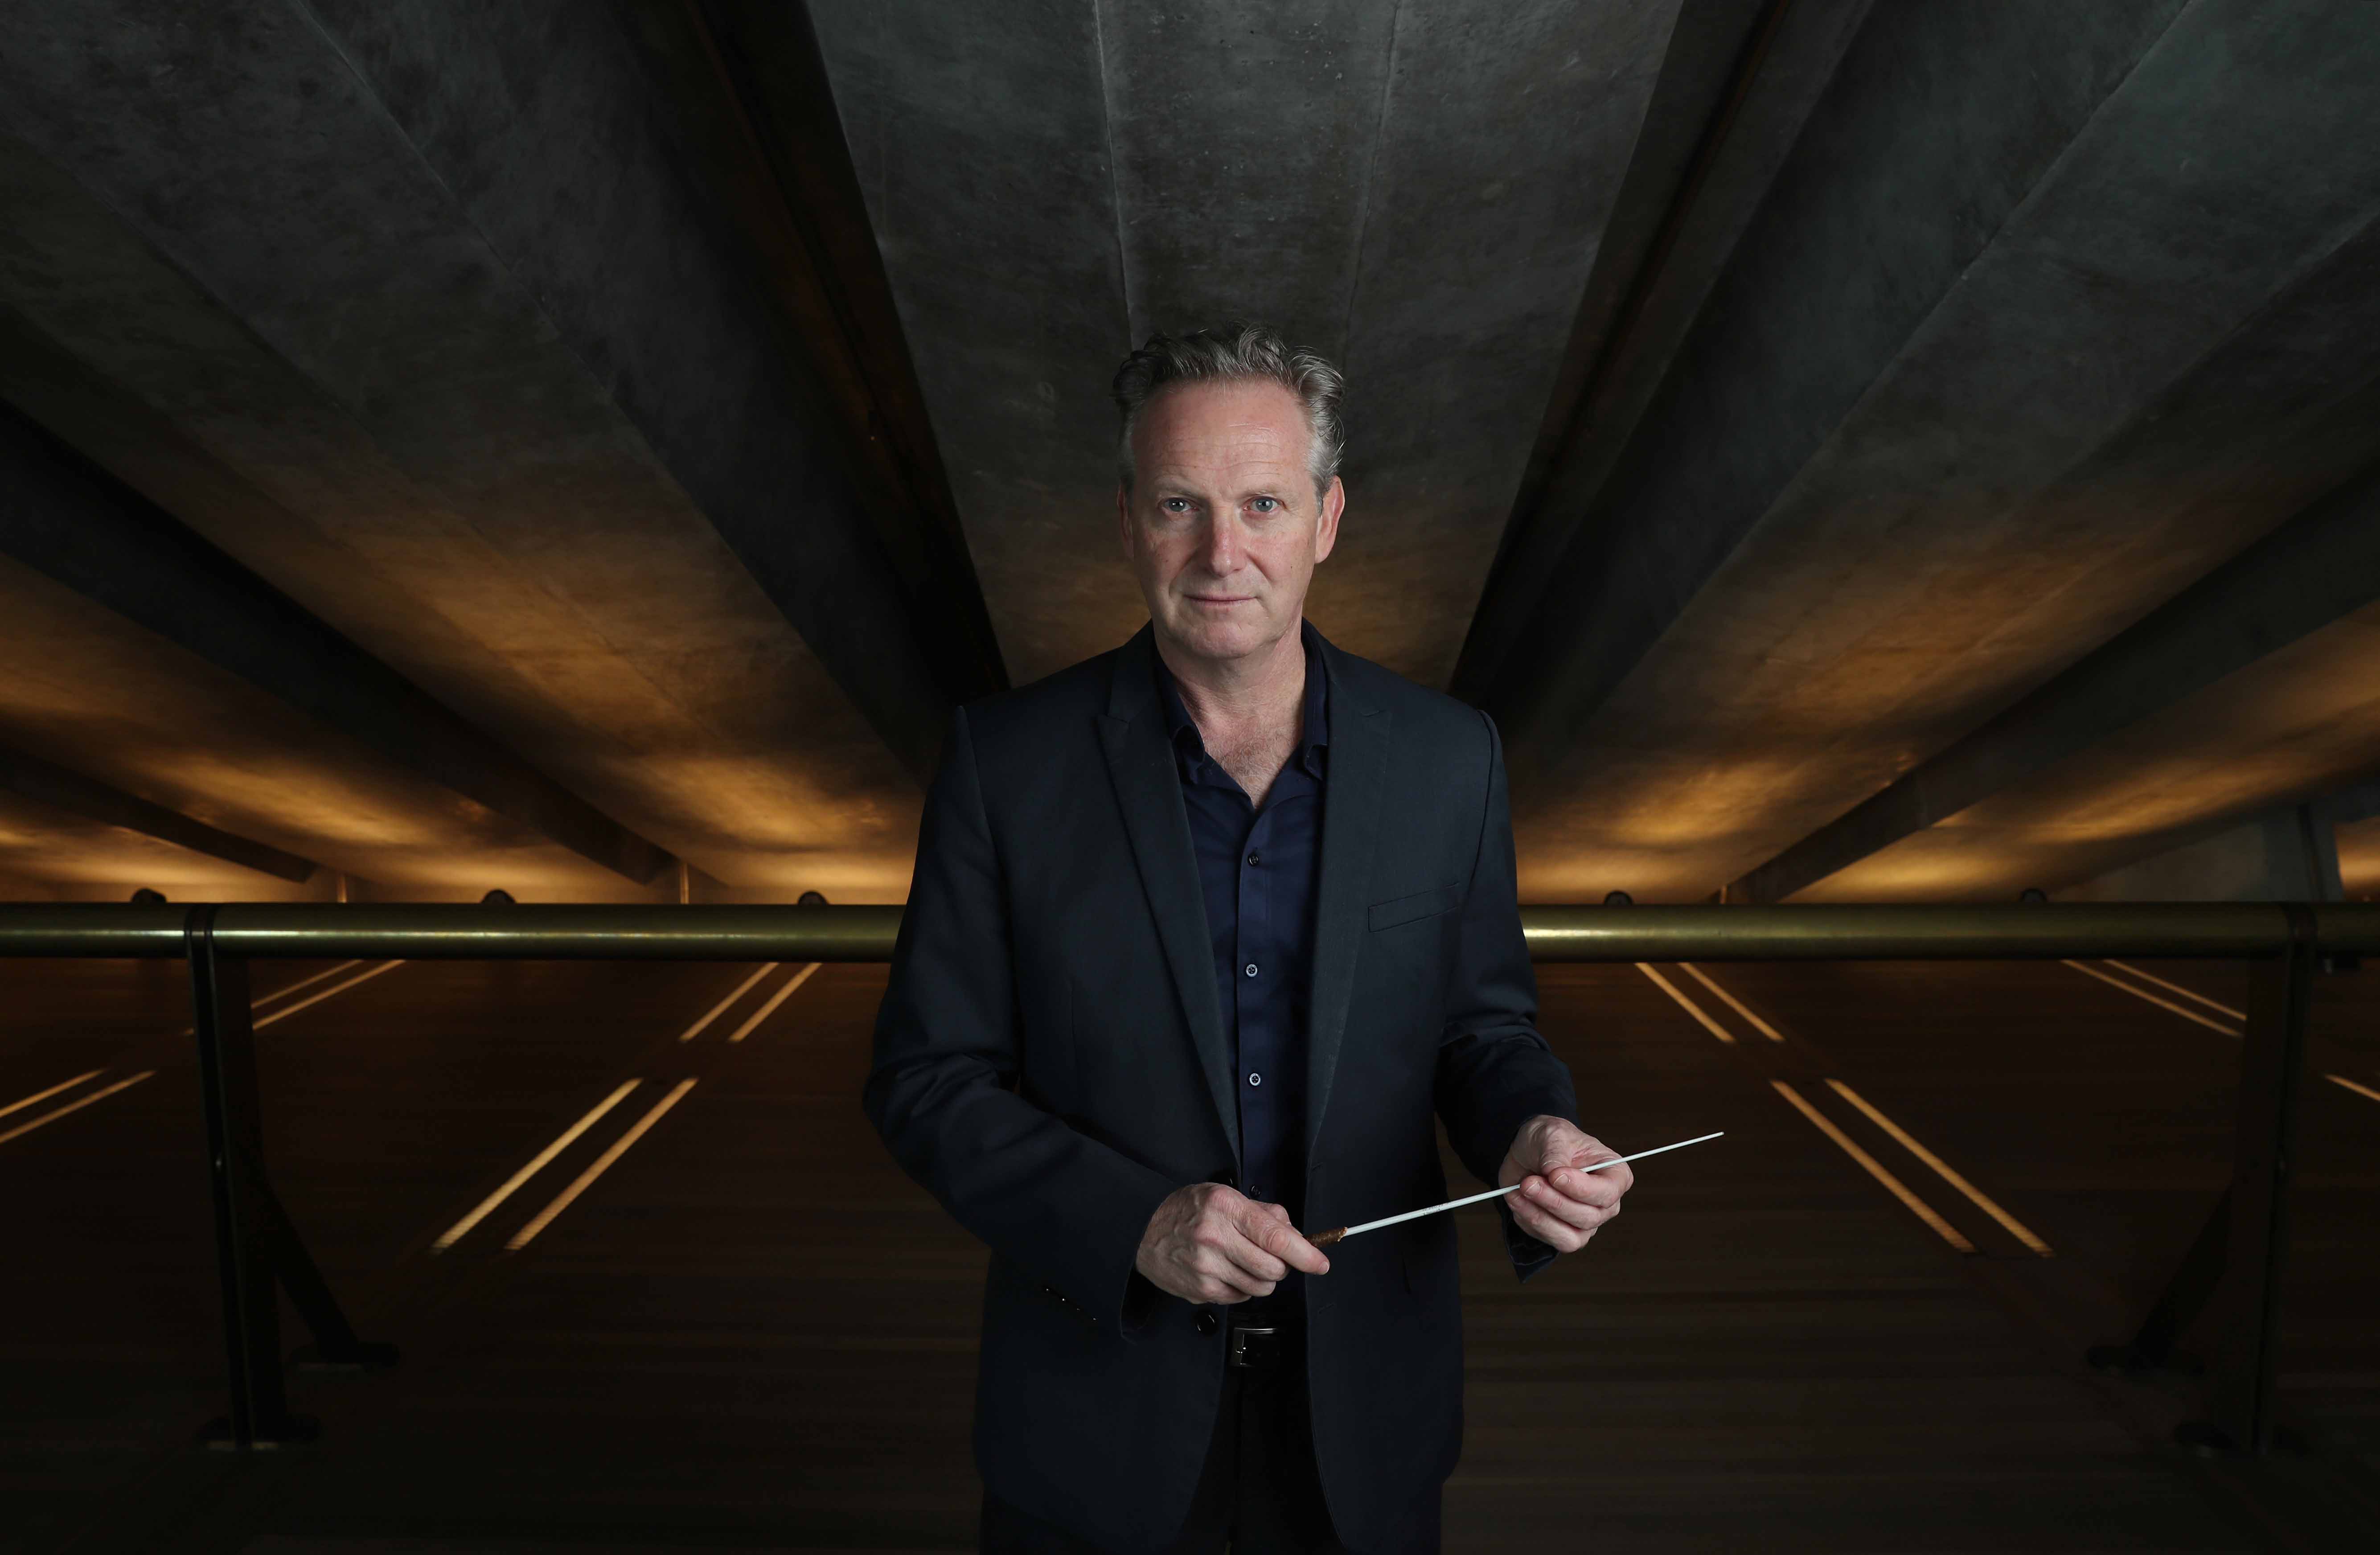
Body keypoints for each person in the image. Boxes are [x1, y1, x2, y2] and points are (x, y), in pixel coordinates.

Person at [864, 323, 1633, 1554]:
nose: (1223, 552)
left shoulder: (1448, 757)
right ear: (1128, 522)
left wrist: (1530, 1126)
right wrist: (1136, 1222)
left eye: (1262, 502)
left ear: (1326, 517)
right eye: (1181, 504)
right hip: (1092, 1406)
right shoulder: (1003, 764)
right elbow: (926, 1078)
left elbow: (1480, 1027)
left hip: (1365, 1410)